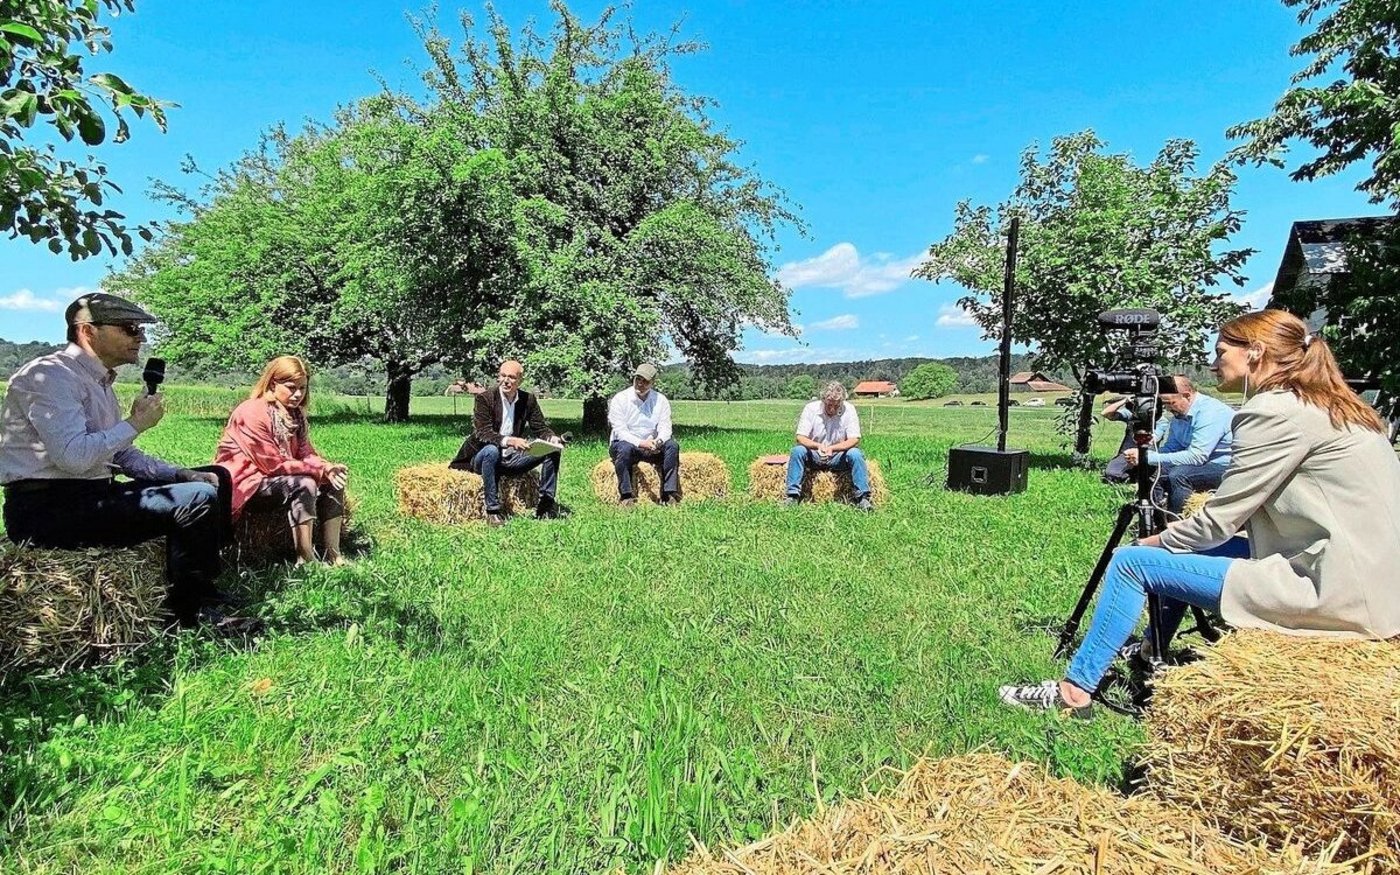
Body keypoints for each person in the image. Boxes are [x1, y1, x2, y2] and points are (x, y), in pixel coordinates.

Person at [1000, 309, 1400, 717]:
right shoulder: (1338, 407)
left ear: (1256, 353)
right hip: (1375, 583)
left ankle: (1074, 693)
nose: (1214, 362)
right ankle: (1149, 651)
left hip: (1333, 589)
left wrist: (1156, 539)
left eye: (1221, 350)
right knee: (1177, 555)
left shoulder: (1274, 412)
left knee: (1131, 563)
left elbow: (1222, 518)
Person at [0, 293, 248, 630]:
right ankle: (192, 612)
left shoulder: (98, 381)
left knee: (214, 476)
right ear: (88, 331)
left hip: (93, 495)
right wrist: (135, 424)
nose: (141, 338)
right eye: (130, 329)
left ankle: (205, 578)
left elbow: (118, 454)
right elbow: (74, 458)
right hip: (47, 510)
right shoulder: (49, 377)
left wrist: (178, 473)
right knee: (196, 499)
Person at [215, 356, 350, 563]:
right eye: (291, 387)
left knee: (334, 482)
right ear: (272, 384)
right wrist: (317, 472)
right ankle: (305, 557)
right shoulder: (251, 412)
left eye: (302, 388)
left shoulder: (295, 415)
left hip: (274, 477)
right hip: (247, 482)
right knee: (305, 483)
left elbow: (306, 452)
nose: (297, 394)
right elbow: (273, 465)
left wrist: (327, 468)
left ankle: (334, 554)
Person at [449, 360, 564, 526]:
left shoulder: (528, 399)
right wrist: (510, 441)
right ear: (498, 377)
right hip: (482, 457)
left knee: (553, 450)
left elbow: (540, 428)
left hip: (512, 459)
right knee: (491, 450)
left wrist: (552, 438)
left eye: (511, 377)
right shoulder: (485, 398)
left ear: (520, 380)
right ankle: (493, 512)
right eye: (503, 376)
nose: (506, 380)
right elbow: (483, 433)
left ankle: (545, 507)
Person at [1101, 376, 1234, 514]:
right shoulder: (1179, 416)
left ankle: (1178, 522)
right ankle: (1154, 516)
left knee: (1179, 475)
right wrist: (1144, 456)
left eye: (1170, 403)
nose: (1168, 408)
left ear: (1187, 396)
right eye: (1164, 405)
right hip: (1202, 465)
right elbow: (1171, 448)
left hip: (1225, 467)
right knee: (1153, 469)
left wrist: (1147, 457)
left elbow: (1197, 457)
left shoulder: (1210, 412)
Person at [783, 381, 873, 511]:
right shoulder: (811, 409)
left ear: (842, 402)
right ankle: (792, 496)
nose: (832, 409)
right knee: (797, 451)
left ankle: (863, 498)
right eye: (829, 405)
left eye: (837, 406)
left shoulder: (849, 409)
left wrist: (833, 448)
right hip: (814, 454)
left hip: (838, 456)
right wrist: (817, 446)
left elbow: (854, 439)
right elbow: (800, 437)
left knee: (856, 454)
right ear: (823, 400)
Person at [608, 363, 680, 506]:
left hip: (652, 445)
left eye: (645, 381)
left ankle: (669, 494)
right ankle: (626, 496)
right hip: (626, 445)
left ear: (653, 382)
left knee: (672, 446)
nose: (640, 383)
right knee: (624, 448)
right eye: (637, 379)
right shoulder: (620, 399)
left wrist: (658, 441)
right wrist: (642, 443)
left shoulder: (661, 400)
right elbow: (620, 431)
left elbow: (666, 428)